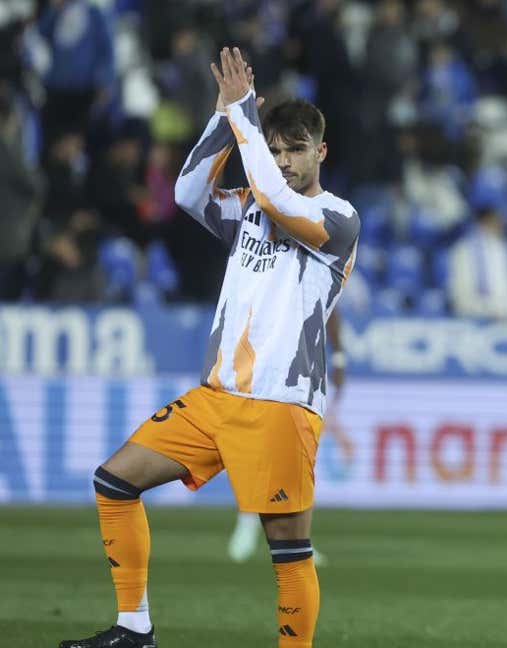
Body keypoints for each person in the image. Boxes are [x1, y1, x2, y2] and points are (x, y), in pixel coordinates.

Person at [60, 47, 359, 648]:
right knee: (114, 481)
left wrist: (248, 115)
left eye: (295, 148)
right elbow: (189, 193)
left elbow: (280, 200)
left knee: (288, 551)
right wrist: (226, 116)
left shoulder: (337, 218)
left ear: (320, 152)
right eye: (275, 149)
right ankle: (134, 628)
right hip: (215, 398)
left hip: (280, 406)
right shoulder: (248, 209)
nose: (282, 160)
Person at [227, 310, 354, 565]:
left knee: (298, 453)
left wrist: (338, 358)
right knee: (261, 444)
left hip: (306, 366)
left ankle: (298, 539)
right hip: (265, 360)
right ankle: (249, 519)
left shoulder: (318, 272)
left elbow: (332, 302)